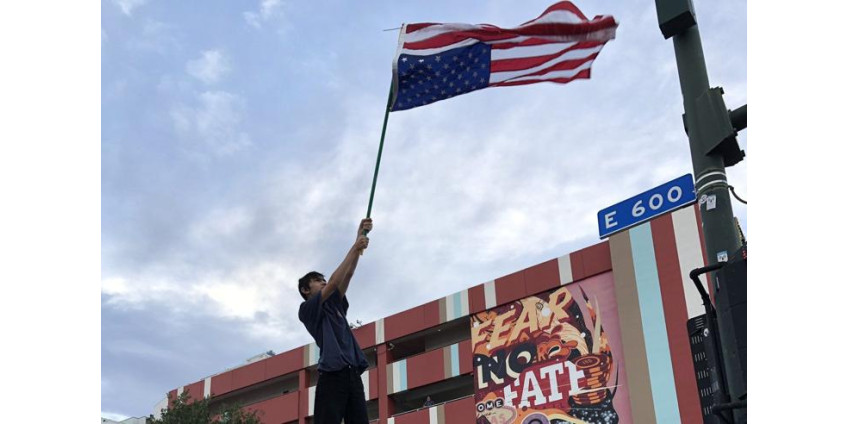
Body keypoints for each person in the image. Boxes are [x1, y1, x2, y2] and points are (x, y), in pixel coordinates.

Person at [298, 218, 373, 424]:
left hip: (352, 374)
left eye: (322, 279)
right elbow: (333, 282)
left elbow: (347, 274)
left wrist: (360, 239)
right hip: (331, 375)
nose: (322, 282)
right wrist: (354, 245)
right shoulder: (307, 309)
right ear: (306, 290)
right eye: (317, 280)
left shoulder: (336, 304)